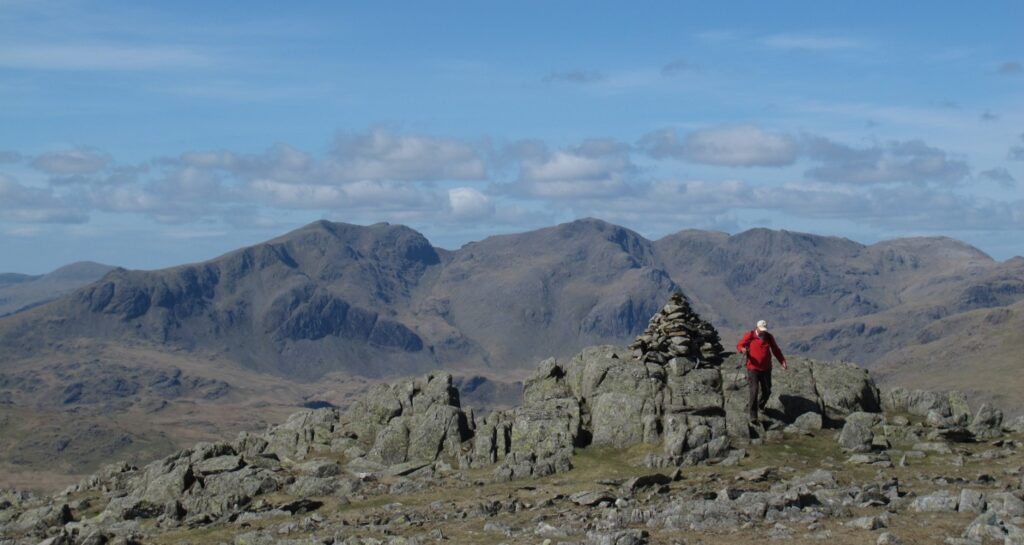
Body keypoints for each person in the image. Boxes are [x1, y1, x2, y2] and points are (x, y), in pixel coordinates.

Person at [737, 319, 787, 422]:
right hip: (753, 369)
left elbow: (775, 350)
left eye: (764, 330)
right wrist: (742, 349)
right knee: (754, 391)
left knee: (767, 391)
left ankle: (760, 405)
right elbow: (740, 345)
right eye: (761, 330)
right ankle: (753, 415)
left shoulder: (769, 337)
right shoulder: (750, 335)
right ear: (757, 328)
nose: (763, 332)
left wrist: (782, 361)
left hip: (766, 369)